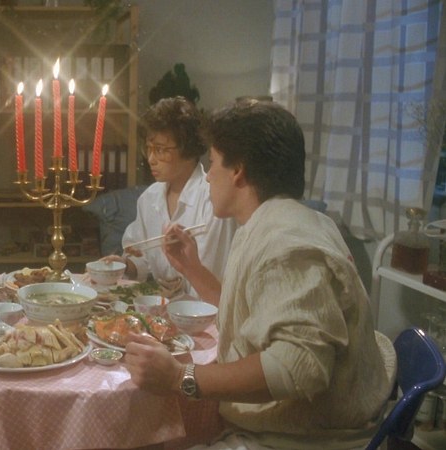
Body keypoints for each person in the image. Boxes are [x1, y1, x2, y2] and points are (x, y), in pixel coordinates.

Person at [125, 99, 393, 449]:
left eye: (214, 162)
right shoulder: (279, 221)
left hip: (297, 441)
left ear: (238, 170)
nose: (209, 175)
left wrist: (180, 377)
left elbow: (298, 367)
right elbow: (253, 316)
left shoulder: (286, 242)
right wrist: (192, 268)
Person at [105, 97, 236, 297]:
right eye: (148, 149)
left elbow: (214, 278)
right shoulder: (149, 199)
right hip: (162, 308)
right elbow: (142, 257)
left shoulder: (213, 201)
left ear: (188, 149)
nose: (151, 159)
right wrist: (125, 265)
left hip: (204, 309)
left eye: (160, 150)